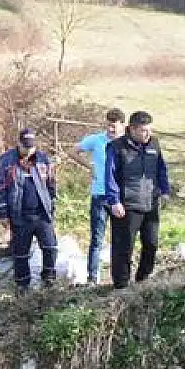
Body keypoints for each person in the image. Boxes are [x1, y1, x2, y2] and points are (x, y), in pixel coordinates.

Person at [104, 110, 172, 289]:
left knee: (151, 243)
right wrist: (114, 201)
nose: (148, 133)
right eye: (143, 130)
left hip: (150, 203)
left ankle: (143, 279)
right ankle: (121, 285)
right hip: (126, 205)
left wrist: (165, 190)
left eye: (150, 129)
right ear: (132, 129)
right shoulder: (117, 147)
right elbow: (110, 176)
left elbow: (161, 169)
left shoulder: (154, 145)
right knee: (123, 247)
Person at [0, 127, 59, 293]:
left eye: (31, 147)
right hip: (19, 214)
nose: (28, 151)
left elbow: (51, 184)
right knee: (21, 253)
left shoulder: (43, 159)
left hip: (42, 213)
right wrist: (3, 214)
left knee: (50, 247)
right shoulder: (6, 161)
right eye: (25, 147)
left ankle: (49, 279)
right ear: (19, 143)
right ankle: (22, 286)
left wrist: (52, 206)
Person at [77, 107, 125, 284]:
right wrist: (89, 167)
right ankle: (92, 278)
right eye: (108, 126)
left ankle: (118, 277)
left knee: (119, 239)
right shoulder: (97, 140)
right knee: (97, 238)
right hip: (99, 195)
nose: (111, 129)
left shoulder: (126, 143)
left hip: (119, 197)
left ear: (122, 125)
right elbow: (74, 151)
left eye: (114, 126)